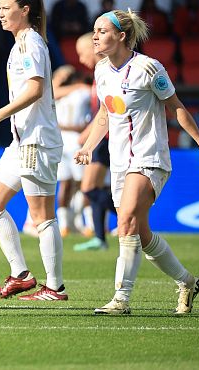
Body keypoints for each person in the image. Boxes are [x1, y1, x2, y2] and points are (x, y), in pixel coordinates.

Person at [74, 9, 199, 315]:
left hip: (150, 158)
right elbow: (105, 114)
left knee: (125, 222)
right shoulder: (102, 70)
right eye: (94, 30)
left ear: (121, 36)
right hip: (120, 162)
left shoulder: (148, 68)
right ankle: (188, 282)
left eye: (102, 31)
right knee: (141, 234)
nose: (95, 36)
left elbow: (176, 107)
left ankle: (121, 299)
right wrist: (88, 147)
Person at [0, 0, 67, 302]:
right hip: (21, 143)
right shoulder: (20, 44)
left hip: (36, 142)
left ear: (25, 10)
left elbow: (35, 89)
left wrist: (0, 114)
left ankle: (55, 287)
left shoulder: (31, 42)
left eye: (5, 8)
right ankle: (21, 275)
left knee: (42, 216)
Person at [73, 32, 113, 251]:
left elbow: (106, 110)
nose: (80, 59)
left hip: (104, 138)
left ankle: (130, 214)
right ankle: (100, 238)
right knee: (93, 187)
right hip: (101, 138)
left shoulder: (107, 71)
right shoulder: (99, 72)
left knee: (88, 188)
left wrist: (88, 134)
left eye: (82, 53)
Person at [51, 65, 91, 236]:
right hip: (76, 141)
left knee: (65, 184)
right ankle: (90, 224)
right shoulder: (82, 92)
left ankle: (65, 225)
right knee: (84, 184)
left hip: (60, 142)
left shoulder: (55, 95)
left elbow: (52, 91)